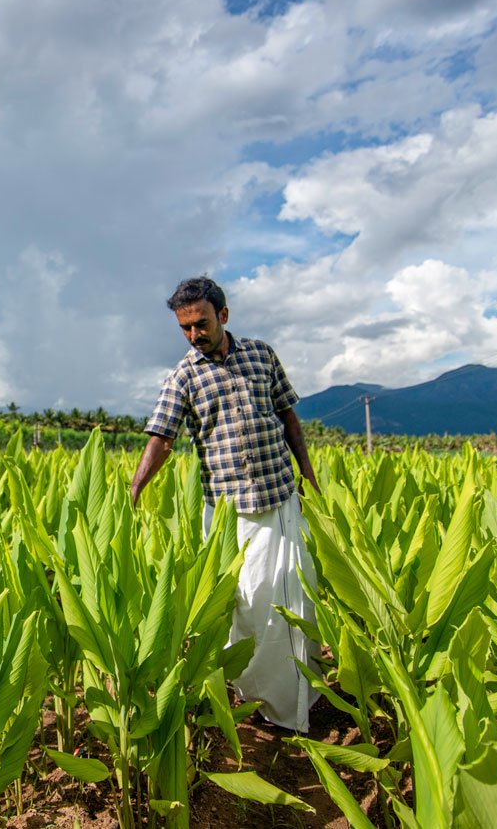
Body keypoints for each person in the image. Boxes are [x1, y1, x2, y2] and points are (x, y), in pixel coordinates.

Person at [129, 276, 321, 733]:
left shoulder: (261, 354)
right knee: (251, 607)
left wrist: (308, 473)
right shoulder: (184, 376)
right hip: (229, 513)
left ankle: (302, 698)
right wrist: (135, 488)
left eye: (201, 323)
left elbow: (287, 415)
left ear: (224, 315)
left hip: (279, 498)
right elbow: (162, 437)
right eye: (185, 328)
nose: (194, 335)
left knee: (295, 598)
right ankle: (258, 702)